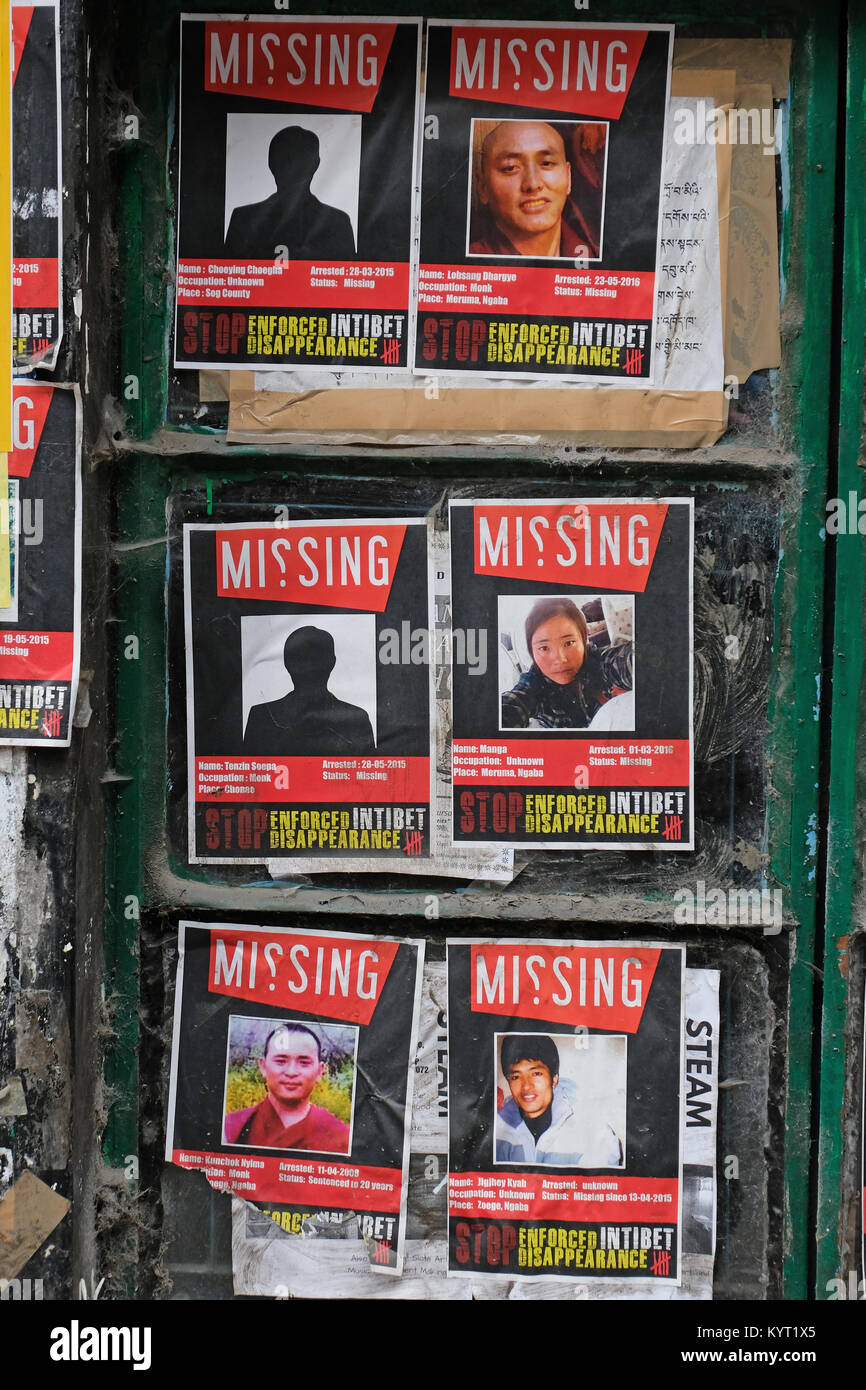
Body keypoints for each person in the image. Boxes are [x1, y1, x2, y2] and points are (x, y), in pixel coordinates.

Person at [469, 121, 600, 259]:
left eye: (546, 163)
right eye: (510, 168)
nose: (533, 184)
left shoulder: (594, 258)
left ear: (568, 177)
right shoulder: (467, 265)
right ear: (482, 186)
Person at [224, 125, 356, 260]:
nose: (291, 168)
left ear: (315, 165)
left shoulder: (338, 223)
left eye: (298, 159)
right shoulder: (243, 219)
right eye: (286, 158)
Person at [501, 596, 632, 730]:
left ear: (583, 640)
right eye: (544, 648)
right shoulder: (534, 685)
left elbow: (627, 661)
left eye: (569, 643)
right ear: (532, 652)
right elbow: (512, 705)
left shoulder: (599, 662)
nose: (560, 659)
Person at [243, 625, 375, 755]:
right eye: (303, 659)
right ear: (332, 662)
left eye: (315, 659)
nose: (310, 668)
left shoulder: (262, 716)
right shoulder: (356, 718)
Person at [495, 1034, 622, 1167]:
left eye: (536, 1073)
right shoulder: (497, 1128)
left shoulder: (591, 1129)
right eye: (516, 1076)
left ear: (554, 1079)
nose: (526, 1086)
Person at [224, 1022, 351, 1153]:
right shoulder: (231, 1127)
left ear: (320, 1071)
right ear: (263, 1066)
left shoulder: (341, 1136)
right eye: (280, 1061)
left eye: (304, 1062)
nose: (291, 1072)